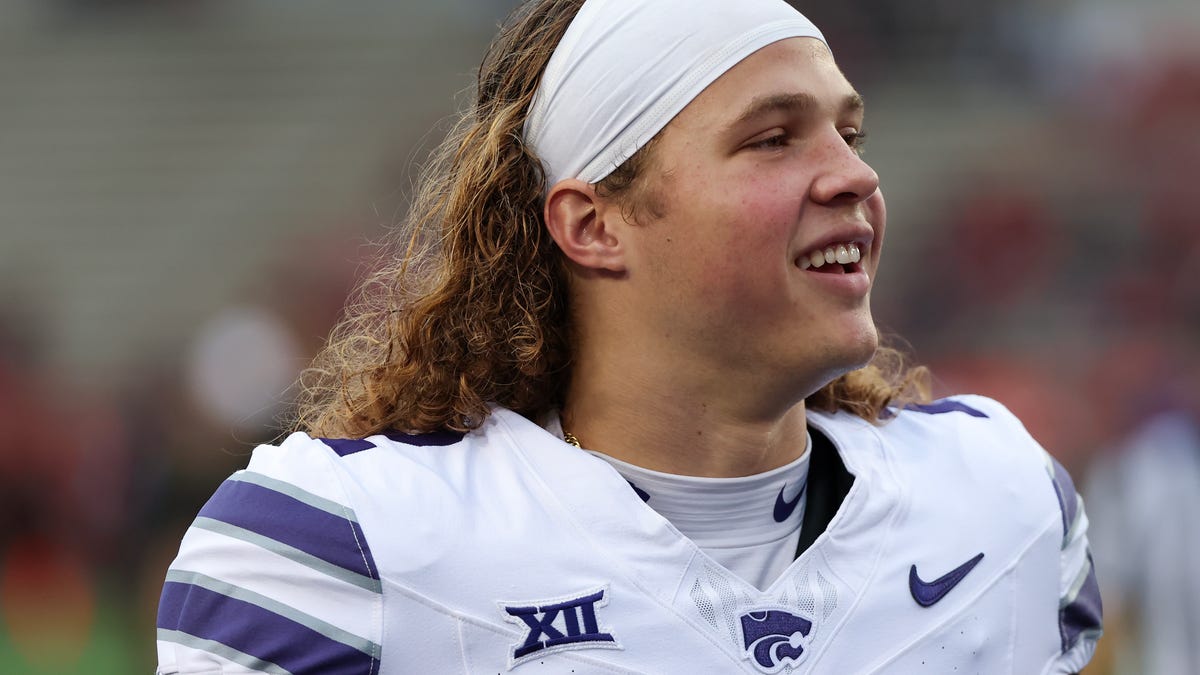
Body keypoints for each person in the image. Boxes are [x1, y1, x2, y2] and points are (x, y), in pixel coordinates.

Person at [154, 0, 1102, 672]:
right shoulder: (344, 545)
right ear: (594, 224)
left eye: (849, 132)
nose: (852, 173)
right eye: (774, 138)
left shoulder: (1004, 500)